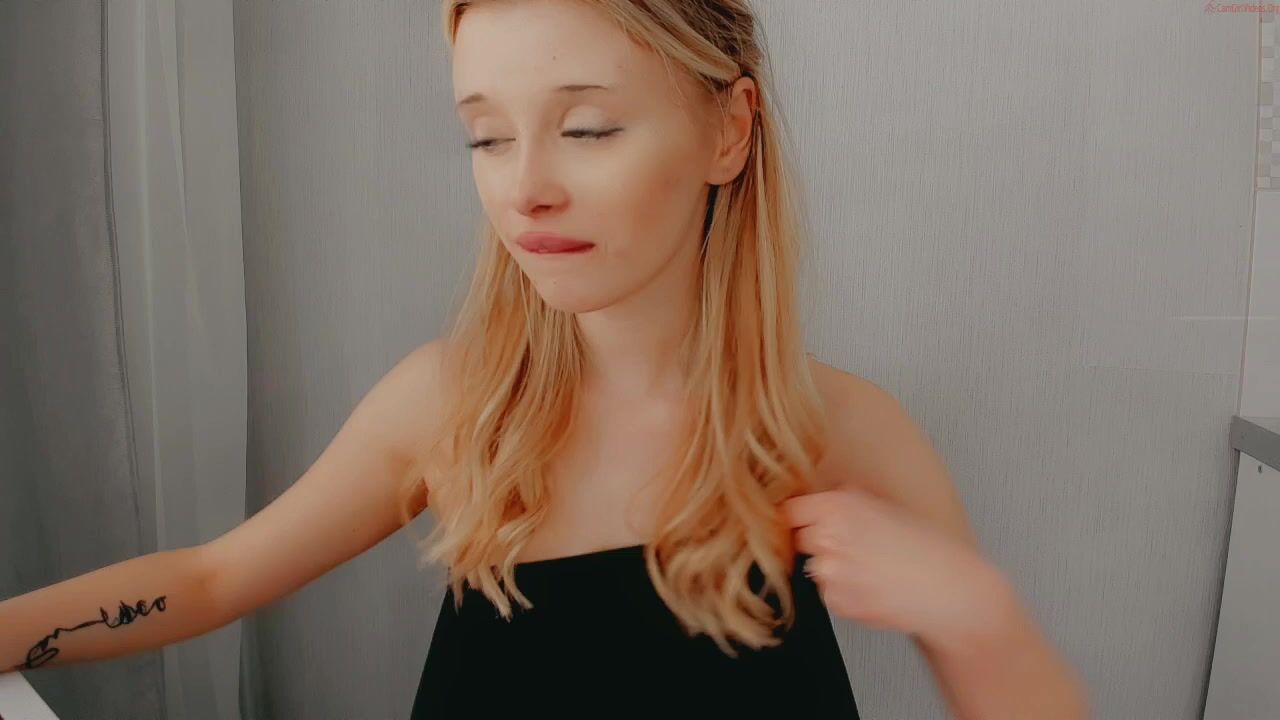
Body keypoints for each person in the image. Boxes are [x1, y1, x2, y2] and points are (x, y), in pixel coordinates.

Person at [1, 0, 1089, 717]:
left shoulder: (840, 432)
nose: (523, 188)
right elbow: (209, 579)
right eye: (485, 136)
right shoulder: (450, 406)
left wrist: (978, 613)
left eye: (587, 129)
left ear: (727, 131)